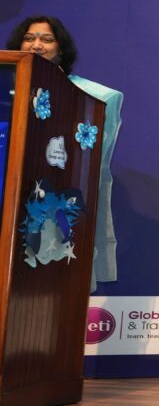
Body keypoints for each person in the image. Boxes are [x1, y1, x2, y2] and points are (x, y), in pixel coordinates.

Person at [6, 15, 123, 291]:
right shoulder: (4, 88)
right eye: (29, 38)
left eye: (46, 39)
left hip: (48, 203)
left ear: (61, 49)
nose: (36, 45)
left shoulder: (88, 97)